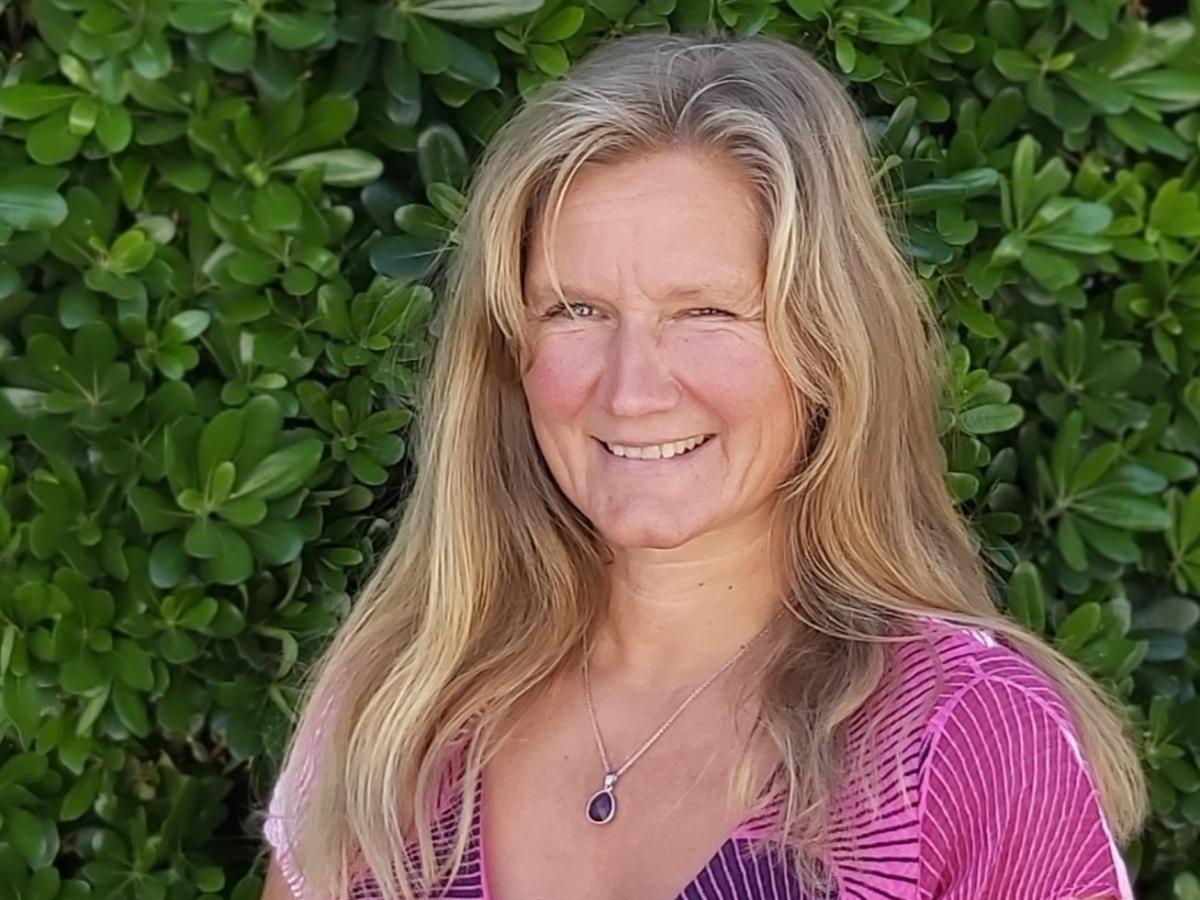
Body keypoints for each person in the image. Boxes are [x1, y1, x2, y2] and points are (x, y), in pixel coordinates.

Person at [257, 31, 1148, 900]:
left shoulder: (961, 740)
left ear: (830, 347)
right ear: (507, 351)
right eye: (575, 310)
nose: (632, 390)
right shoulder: (398, 711)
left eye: (707, 312)